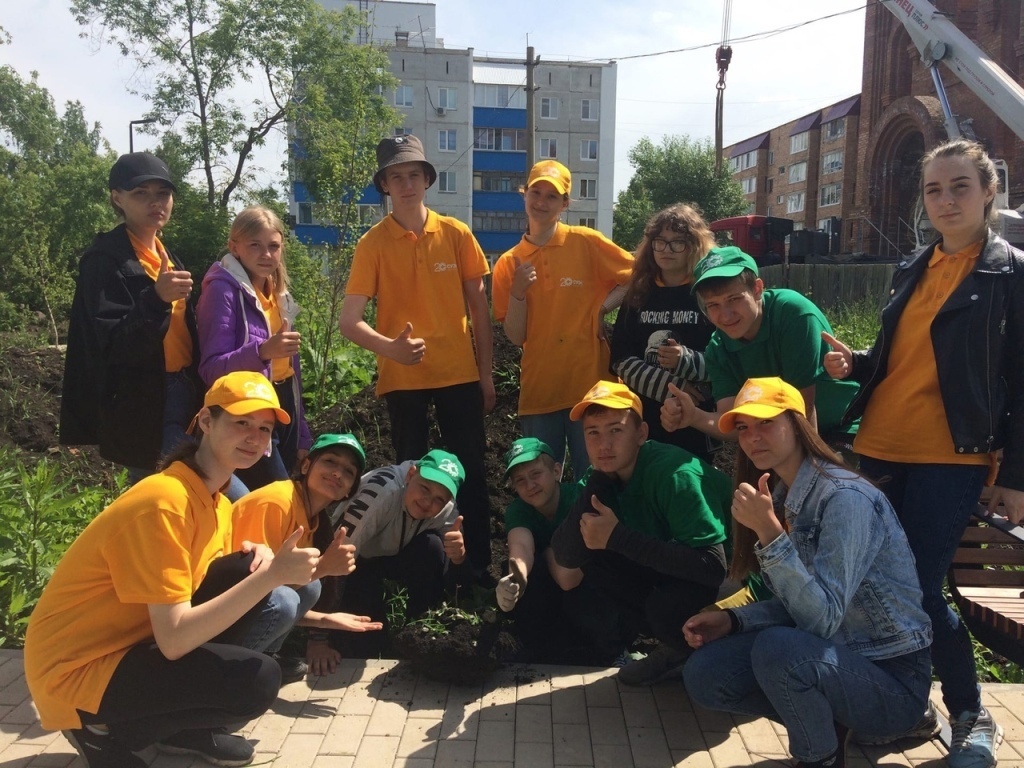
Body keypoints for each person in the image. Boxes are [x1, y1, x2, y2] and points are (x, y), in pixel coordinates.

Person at [823, 138, 1024, 767]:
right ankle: (909, 704)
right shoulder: (913, 265)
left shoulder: (1011, 273)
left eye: (960, 186)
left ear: (988, 192)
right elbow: (901, 357)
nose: (946, 200)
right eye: (934, 189)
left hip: (951, 455)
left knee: (917, 587)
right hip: (881, 444)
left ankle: (970, 713)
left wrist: (1016, 475)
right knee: (872, 583)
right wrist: (857, 363)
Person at [26, 371, 322, 768]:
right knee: (257, 679)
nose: (254, 437)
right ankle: (97, 727)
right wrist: (272, 576)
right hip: (76, 670)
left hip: (127, 645)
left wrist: (259, 566)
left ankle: (177, 731)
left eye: (265, 429)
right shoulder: (165, 501)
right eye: (242, 422)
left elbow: (213, 590)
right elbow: (175, 639)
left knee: (244, 567)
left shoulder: (215, 502)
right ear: (206, 421)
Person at [682, 377, 933, 768]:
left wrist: (769, 533)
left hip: (892, 678)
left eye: (766, 422)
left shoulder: (844, 498)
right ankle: (829, 723)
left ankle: (820, 758)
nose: (752, 437)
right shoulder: (781, 495)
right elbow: (797, 607)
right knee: (707, 673)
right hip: (832, 659)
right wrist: (734, 620)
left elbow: (821, 619)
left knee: (779, 649)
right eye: (743, 427)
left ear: (798, 424)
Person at [338, 135, 493, 578]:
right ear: (384, 185)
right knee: (411, 477)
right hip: (402, 380)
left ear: (427, 180)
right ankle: (416, 569)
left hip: (458, 375)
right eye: (396, 177)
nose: (406, 185)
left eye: (413, 175)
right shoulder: (372, 244)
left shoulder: (456, 234)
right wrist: (391, 349)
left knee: (470, 471)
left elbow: (480, 312)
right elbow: (349, 321)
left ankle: (475, 568)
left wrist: (485, 376)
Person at [549, 381, 731, 683]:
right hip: (678, 570)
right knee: (594, 561)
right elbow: (567, 555)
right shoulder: (603, 474)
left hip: (739, 583)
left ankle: (714, 654)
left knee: (663, 607)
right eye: (593, 433)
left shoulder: (674, 475)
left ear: (641, 434)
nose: (604, 445)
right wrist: (598, 482)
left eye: (615, 430)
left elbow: (713, 567)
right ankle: (678, 647)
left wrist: (618, 538)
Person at [60, 152, 201, 478]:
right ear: (117, 198)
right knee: (178, 490)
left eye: (163, 193)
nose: (156, 202)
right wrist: (156, 299)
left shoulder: (166, 256)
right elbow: (114, 346)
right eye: (141, 193)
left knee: (177, 492)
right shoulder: (105, 260)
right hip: (144, 402)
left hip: (184, 389)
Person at [492, 160, 634, 480]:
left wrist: (603, 309)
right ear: (524, 194)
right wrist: (517, 294)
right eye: (536, 192)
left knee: (596, 479)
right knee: (543, 483)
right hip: (540, 392)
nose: (541, 202)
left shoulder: (586, 242)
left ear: (565, 204)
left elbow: (635, 276)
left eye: (552, 196)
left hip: (592, 389)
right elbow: (515, 336)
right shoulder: (509, 263)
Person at [660, 246, 858, 447]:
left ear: (757, 289)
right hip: (778, 434)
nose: (725, 315)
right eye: (713, 305)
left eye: (734, 299)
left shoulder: (793, 314)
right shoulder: (717, 348)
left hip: (844, 428)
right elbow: (736, 424)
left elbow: (802, 412)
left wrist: (808, 467)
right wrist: (694, 416)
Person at [231, 433, 383, 680]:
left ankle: (266, 656)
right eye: (330, 461)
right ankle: (227, 671)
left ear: (349, 491)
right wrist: (323, 568)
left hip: (238, 606)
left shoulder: (312, 520)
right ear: (305, 466)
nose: (337, 473)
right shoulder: (276, 503)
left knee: (309, 586)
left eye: (348, 472)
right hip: (210, 609)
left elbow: (270, 597)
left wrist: (325, 620)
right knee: (291, 595)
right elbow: (255, 591)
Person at [197, 205, 312, 495]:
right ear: (234, 247)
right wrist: (262, 351)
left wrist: (302, 433)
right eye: (255, 245)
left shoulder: (279, 293)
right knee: (277, 494)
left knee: (277, 496)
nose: (266, 255)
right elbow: (211, 369)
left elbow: (291, 370)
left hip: (283, 404)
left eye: (273, 246)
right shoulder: (222, 290)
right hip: (249, 409)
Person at [328, 449, 468, 656]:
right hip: (356, 562)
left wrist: (459, 556)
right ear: (411, 474)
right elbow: (333, 560)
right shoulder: (380, 493)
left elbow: (454, 574)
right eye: (424, 488)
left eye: (439, 499)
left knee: (433, 548)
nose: (428, 502)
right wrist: (319, 638)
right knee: (370, 644)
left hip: (394, 554)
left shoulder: (446, 510)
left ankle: (420, 626)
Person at [610, 203, 717, 461]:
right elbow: (620, 358)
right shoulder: (639, 293)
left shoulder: (708, 293)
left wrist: (687, 362)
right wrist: (671, 387)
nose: (667, 250)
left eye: (677, 242)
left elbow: (727, 360)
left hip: (696, 423)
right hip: (645, 423)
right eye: (660, 241)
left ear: (694, 246)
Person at [495, 437, 580, 658]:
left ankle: (610, 647)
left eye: (535, 474)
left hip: (581, 579)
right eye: (520, 480)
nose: (530, 485)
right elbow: (521, 548)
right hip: (551, 584)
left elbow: (570, 575)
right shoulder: (518, 510)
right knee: (527, 573)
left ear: (556, 471)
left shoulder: (578, 499)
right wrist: (515, 578)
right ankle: (534, 644)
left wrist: (550, 554)